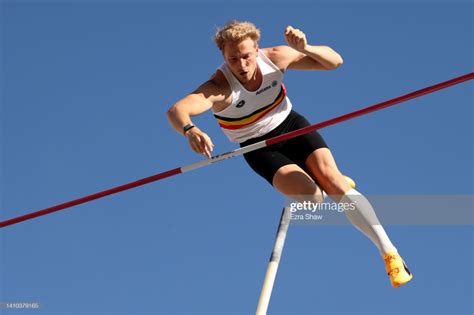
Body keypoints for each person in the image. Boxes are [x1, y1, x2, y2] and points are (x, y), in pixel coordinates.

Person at [166, 20, 412, 288]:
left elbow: (335, 61)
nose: (242, 65)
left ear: (257, 49)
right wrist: (190, 130)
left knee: (335, 183)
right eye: (233, 59)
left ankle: (389, 252)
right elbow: (177, 110)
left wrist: (306, 47)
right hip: (256, 147)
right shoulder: (220, 87)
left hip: (291, 126)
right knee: (313, 199)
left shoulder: (275, 57)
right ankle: (322, 180)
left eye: (246, 56)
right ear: (224, 57)